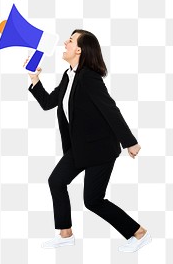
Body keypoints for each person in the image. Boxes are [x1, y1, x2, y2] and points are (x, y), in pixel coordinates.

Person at [25, 29, 152, 252]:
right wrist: (35, 79)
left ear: (79, 50)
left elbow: (110, 109)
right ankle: (65, 234)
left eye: (71, 40)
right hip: (80, 148)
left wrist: (129, 142)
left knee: (93, 200)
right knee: (56, 181)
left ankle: (139, 233)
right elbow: (48, 103)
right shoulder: (69, 76)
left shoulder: (89, 77)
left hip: (101, 149)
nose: (65, 42)